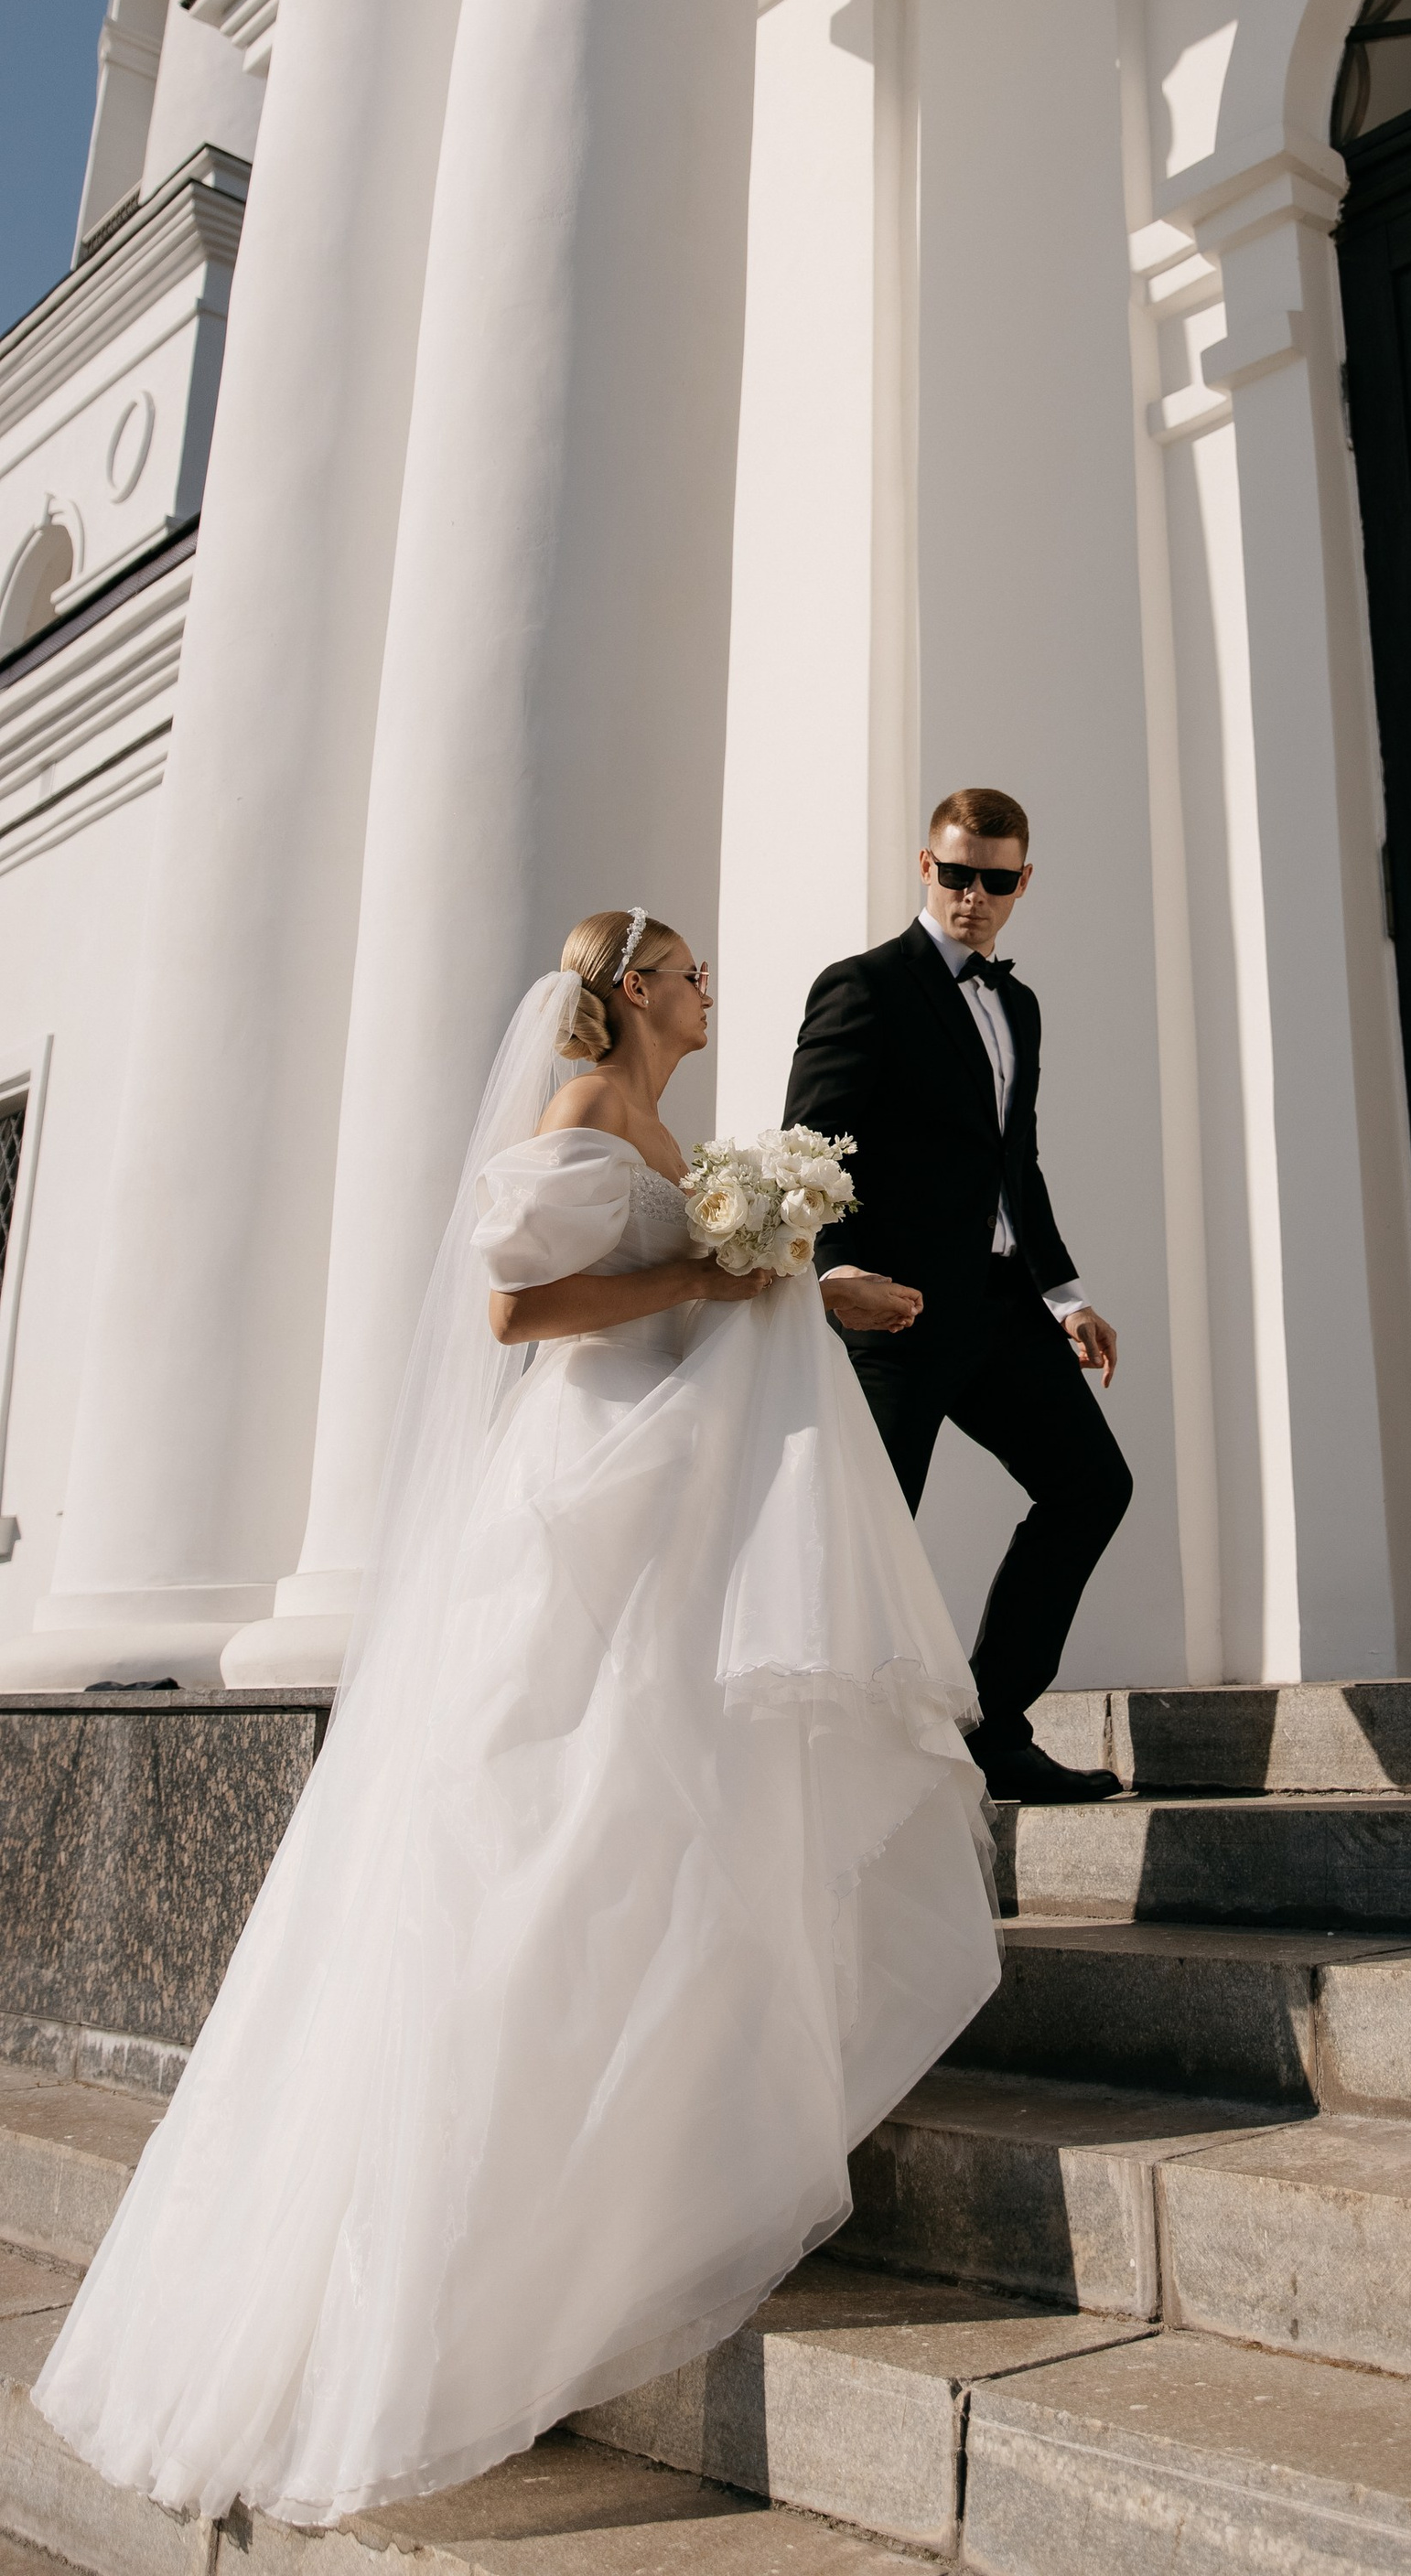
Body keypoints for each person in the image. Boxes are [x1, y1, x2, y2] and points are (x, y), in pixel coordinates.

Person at [36, 910, 999, 2528]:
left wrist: (797, 1284)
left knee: (630, 1823)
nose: (708, 990)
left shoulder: (655, 1124)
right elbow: (519, 1314)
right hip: (586, 1505)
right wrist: (724, 1260)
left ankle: (613, 2180)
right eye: (688, 971)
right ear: (631, 993)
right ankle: (463, 2281)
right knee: (551, 1826)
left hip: (648, 1501)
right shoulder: (578, 1118)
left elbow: (678, 1294)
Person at [785, 787, 1130, 1806]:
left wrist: (1064, 1293)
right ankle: (822, 1763)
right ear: (922, 868)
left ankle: (995, 1726)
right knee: (872, 1531)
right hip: (897, 1309)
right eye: (953, 874)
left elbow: (1013, 1161)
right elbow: (813, 1140)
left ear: (1023, 883)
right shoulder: (863, 987)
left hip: (999, 1304)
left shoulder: (1015, 1004)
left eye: (993, 879)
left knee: (1089, 1488)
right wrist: (837, 1268)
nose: (971, 896)